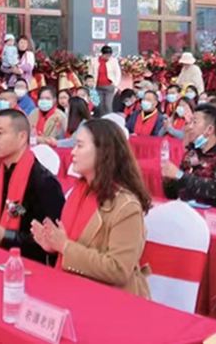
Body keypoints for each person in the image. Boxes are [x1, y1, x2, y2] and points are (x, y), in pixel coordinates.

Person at [32, 119, 151, 298]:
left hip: (108, 299)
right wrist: (53, 246)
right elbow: (73, 248)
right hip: (74, 288)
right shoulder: (79, 192)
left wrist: (65, 246)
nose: (72, 152)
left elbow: (119, 269)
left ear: (103, 153)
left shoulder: (126, 206)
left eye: (80, 146)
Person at [0, 109, 65, 264]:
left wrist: (5, 236)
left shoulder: (44, 183)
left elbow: (50, 242)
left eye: (0, 133)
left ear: (22, 137)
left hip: (31, 266)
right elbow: (6, 213)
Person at [162, 104, 216, 206]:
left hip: (214, 212)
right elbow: (176, 192)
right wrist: (169, 181)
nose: (190, 127)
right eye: (190, 122)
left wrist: (180, 176)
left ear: (209, 129)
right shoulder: (192, 152)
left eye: (194, 122)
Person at [90, 45, 121, 116]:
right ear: (102, 54)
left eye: (109, 55)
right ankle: (101, 119)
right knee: (99, 105)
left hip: (109, 86)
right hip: (97, 86)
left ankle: (109, 119)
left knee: (108, 105)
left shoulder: (113, 61)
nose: (108, 57)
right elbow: (91, 73)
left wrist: (115, 84)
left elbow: (118, 73)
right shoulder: (94, 61)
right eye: (106, 55)